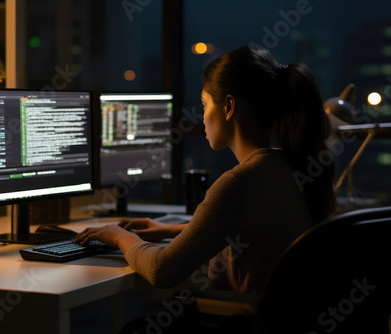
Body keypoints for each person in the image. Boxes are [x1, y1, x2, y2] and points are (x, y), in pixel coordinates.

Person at [74, 45, 335, 329]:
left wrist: (118, 236)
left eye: (204, 105)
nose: (202, 118)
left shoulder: (239, 181)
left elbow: (162, 271)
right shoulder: (284, 167)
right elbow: (254, 229)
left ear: (229, 107)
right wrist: (171, 229)